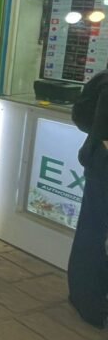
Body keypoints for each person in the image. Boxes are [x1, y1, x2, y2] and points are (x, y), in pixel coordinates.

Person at [68, 68, 108, 327]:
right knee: (93, 235)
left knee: (93, 232)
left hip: (100, 167)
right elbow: (105, 135)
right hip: (103, 169)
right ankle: (88, 302)